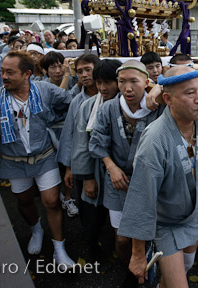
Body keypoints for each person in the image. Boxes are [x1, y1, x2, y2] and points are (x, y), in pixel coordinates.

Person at [0, 51, 77, 270]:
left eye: (9, 72)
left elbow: (70, 101)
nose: (3, 76)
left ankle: (60, 248)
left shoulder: (44, 90)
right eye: (2, 71)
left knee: (51, 200)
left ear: (27, 74)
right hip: (13, 160)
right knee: (24, 200)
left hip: (44, 156)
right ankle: (36, 230)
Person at [120, 66, 198, 287]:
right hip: (166, 224)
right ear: (168, 99)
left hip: (194, 217)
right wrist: (138, 254)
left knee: (183, 270)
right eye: (190, 93)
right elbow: (141, 199)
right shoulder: (155, 139)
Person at [89, 60, 164, 286]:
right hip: (119, 181)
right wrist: (111, 168)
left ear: (147, 83)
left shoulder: (159, 107)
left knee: (152, 234)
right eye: (122, 81)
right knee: (122, 239)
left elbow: (188, 88)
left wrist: (161, 87)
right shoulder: (109, 108)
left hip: (152, 184)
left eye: (134, 81)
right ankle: (131, 272)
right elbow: (96, 142)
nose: (127, 88)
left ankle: (153, 271)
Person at [69, 59, 122, 260]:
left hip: (120, 170)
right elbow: (81, 145)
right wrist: (88, 177)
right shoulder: (88, 106)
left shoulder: (128, 105)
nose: (102, 87)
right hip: (96, 171)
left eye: (108, 82)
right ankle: (93, 246)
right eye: (99, 82)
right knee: (93, 214)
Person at [56, 54, 100, 218]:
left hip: (107, 162)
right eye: (80, 71)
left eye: (88, 70)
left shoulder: (113, 95)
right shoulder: (77, 101)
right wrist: (69, 167)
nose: (84, 75)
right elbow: (70, 135)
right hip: (84, 160)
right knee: (88, 208)